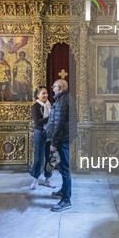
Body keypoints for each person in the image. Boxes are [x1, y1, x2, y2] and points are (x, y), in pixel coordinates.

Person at [45, 79, 77, 212]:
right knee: (64, 167)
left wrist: (53, 142)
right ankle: (64, 191)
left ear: (61, 87)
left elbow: (58, 124)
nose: (52, 87)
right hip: (64, 137)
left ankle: (66, 200)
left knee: (65, 169)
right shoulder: (64, 99)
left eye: (55, 86)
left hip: (62, 139)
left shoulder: (62, 101)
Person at [30, 86, 56, 189]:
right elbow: (38, 122)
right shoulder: (35, 107)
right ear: (38, 95)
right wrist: (50, 118)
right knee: (39, 158)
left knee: (50, 157)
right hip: (40, 133)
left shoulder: (50, 105)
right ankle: (35, 179)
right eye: (43, 93)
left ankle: (48, 179)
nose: (45, 95)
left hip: (50, 133)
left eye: (46, 93)